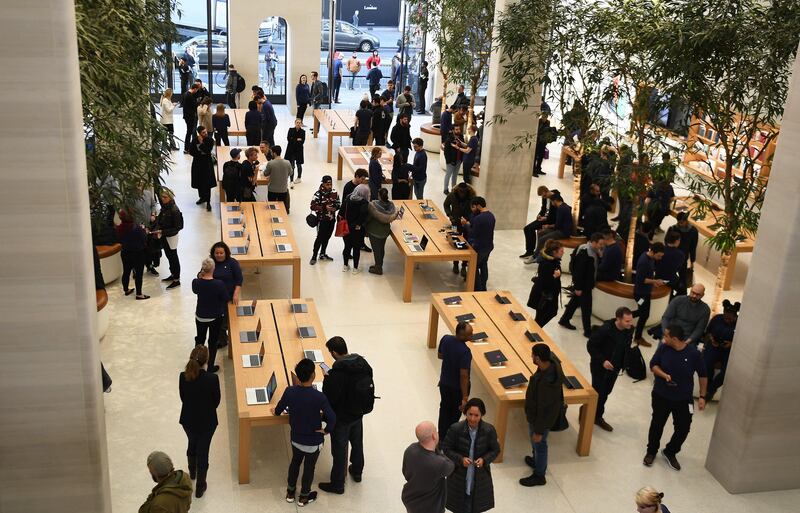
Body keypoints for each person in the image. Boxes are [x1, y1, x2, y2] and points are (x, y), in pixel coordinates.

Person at [273, 359, 336, 507]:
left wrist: (275, 411)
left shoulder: (290, 391)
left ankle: (290, 492)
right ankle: (304, 497)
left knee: (295, 462)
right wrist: (326, 431)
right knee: (309, 468)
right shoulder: (319, 397)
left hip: (296, 438)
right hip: (313, 442)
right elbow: (332, 418)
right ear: (313, 375)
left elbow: (278, 410)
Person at [644, 324, 707, 471]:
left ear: (674, 338)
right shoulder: (663, 348)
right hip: (661, 395)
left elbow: (703, 375)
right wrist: (663, 375)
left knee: (684, 428)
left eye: (666, 336)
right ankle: (651, 451)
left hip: (683, 399)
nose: (663, 338)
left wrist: (703, 396)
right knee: (657, 424)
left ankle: (670, 451)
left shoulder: (693, 354)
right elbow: (653, 365)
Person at [319, 336, 374, 494]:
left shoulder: (338, 373)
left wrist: (327, 379)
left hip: (342, 417)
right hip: (359, 413)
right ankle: (357, 472)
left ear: (334, 352)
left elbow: (330, 396)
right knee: (357, 444)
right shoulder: (362, 363)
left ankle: (337, 484)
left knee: (339, 450)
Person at [441, 398, 500, 513]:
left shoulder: (489, 430)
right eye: (470, 414)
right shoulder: (455, 429)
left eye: (476, 415)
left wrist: (484, 460)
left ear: (482, 415)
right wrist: (460, 459)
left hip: (480, 477)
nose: (472, 419)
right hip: (459, 476)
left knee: (475, 506)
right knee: (460, 507)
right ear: (465, 413)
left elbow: (495, 450)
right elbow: (446, 448)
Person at [519, 343, 565, 487]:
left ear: (538, 358)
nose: (531, 356)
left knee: (540, 443)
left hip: (540, 420)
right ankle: (536, 459)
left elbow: (544, 409)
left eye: (533, 355)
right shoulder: (550, 364)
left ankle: (539, 475)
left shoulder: (547, 383)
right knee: (536, 443)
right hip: (537, 416)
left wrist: (539, 430)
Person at [179, 345, 220, 498]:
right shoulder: (212, 379)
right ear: (206, 361)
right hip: (207, 422)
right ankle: (200, 486)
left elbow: (183, 398)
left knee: (192, 443)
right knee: (204, 451)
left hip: (188, 421)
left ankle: (192, 472)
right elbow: (216, 401)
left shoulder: (183, 376)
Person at [587, 307, 634, 431]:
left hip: (615, 368)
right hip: (600, 367)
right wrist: (603, 361)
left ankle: (595, 415)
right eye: (627, 321)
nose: (630, 324)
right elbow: (591, 345)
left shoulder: (629, 329)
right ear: (618, 319)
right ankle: (591, 415)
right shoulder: (605, 330)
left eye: (631, 320)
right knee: (599, 393)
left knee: (606, 392)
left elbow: (626, 346)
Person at [401, 421, 455, 513]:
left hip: (410, 498)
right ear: (434, 436)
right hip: (431, 506)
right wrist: (437, 450)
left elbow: (405, 472)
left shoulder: (410, 449)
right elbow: (451, 466)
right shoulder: (439, 463)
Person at [559, 232, 605, 338]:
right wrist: (578, 287)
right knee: (587, 308)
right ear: (593, 242)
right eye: (600, 244)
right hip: (584, 285)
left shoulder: (592, 250)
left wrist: (600, 256)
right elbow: (579, 272)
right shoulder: (586, 253)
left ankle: (564, 320)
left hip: (585, 284)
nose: (602, 246)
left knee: (574, 302)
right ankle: (587, 331)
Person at [437, 321, 473, 439]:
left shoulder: (446, 339)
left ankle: (441, 437)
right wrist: (465, 397)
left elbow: (440, 355)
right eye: (469, 334)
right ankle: (449, 439)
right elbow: (463, 376)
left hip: (444, 384)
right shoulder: (465, 352)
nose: (472, 336)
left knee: (444, 410)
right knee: (454, 415)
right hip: (456, 389)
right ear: (462, 335)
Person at [191, 258, 227, 373]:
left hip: (200, 316)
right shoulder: (219, 284)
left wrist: (199, 275)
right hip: (215, 317)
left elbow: (195, 290)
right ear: (213, 269)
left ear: (202, 269)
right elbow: (225, 298)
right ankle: (210, 366)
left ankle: (196, 364)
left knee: (200, 340)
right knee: (213, 341)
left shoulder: (196, 282)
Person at [703, 300, 739, 402]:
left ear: (735, 316)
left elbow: (744, 339)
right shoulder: (717, 318)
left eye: (729, 318)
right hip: (714, 345)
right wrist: (711, 339)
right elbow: (708, 331)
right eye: (725, 317)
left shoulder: (740, 323)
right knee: (706, 364)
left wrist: (732, 344)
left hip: (729, 349)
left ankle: (711, 389)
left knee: (727, 371)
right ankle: (707, 387)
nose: (726, 320)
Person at [210, 241, 242, 348]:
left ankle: (226, 340)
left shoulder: (232, 263)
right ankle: (222, 340)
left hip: (229, 298)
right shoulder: (210, 263)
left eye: (221, 253)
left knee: (227, 322)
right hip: (215, 299)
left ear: (226, 253)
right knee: (218, 322)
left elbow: (239, 280)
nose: (219, 255)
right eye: (217, 253)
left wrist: (235, 294)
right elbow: (202, 274)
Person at [633, 242, 666, 347]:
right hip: (640, 294)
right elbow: (641, 279)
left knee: (642, 312)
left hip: (645, 292)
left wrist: (654, 283)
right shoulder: (644, 262)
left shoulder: (650, 258)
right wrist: (655, 281)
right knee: (644, 314)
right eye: (659, 256)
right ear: (652, 252)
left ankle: (623, 317)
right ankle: (637, 337)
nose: (660, 258)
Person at [461, 197, 495, 292]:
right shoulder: (491, 216)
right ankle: (483, 287)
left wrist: (466, 224)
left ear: (478, 206)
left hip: (479, 246)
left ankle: (477, 289)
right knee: (484, 265)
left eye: (473, 207)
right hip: (488, 245)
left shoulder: (479, 218)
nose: (472, 210)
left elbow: (472, 233)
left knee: (474, 267)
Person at [526, 239, 563, 327]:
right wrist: (554, 277)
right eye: (561, 251)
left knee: (540, 317)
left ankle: (534, 332)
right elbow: (545, 282)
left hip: (545, 295)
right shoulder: (548, 264)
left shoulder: (551, 261)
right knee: (546, 315)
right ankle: (534, 332)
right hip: (544, 297)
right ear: (554, 252)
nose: (563, 253)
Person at [444, 183, 476, 277]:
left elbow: (474, 210)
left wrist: (469, 219)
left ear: (467, 191)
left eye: (464, 192)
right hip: (455, 223)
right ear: (458, 190)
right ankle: (455, 264)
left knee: (466, 244)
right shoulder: (452, 195)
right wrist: (449, 215)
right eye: (460, 192)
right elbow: (446, 204)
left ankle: (464, 265)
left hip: (466, 224)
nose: (462, 194)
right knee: (455, 242)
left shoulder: (472, 197)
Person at [116, 210, 149, 300]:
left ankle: (126, 290)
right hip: (138, 253)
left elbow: (118, 239)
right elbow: (144, 239)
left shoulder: (119, 228)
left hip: (125, 252)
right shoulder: (137, 228)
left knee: (126, 272)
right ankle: (139, 294)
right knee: (138, 274)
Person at [365, 188, 399, 275]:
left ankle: (378, 268)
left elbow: (368, 218)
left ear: (379, 195)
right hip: (385, 231)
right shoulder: (391, 206)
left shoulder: (373, 205)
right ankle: (379, 264)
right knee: (381, 249)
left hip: (374, 231)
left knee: (377, 250)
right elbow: (393, 216)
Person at [520, 186, 560, 260]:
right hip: (544, 218)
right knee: (526, 228)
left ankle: (531, 251)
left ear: (547, 191)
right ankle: (529, 250)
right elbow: (543, 208)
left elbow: (555, 214)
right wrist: (539, 215)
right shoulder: (544, 198)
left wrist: (546, 218)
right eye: (542, 196)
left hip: (550, 220)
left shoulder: (556, 197)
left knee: (531, 228)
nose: (544, 197)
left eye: (544, 195)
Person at [310, 175, 341, 265]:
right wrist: (324, 208)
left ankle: (323, 253)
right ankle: (314, 256)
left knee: (327, 237)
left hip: (331, 220)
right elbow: (312, 206)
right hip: (322, 220)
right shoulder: (318, 194)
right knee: (319, 238)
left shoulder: (335, 193)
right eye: (327, 184)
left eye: (330, 184)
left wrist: (335, 208)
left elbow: (339, 203)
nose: (329, 186)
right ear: (323, 184)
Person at [341, 184, 370, 274]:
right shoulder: (364, 203)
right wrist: (358, 224)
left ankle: (345, 265)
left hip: (346, 227)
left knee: (347, 247)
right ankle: (355, 268)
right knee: (356, 248)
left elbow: (341, 211)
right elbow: (363, 217)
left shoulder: (348, 198)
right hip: (357, 229)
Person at [157, 190, 183, 290]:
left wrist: (163, 232)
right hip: (164, 236)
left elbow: (178, 227)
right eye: (162, 197)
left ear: (171, 197)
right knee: (169, 256)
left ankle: (176, 279)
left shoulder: (174, 210)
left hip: (171, 237)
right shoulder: (164, 208)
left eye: (165, 197)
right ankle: (173, 274)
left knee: (173, 257)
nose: (163, 199)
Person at [189, 126, 215, 212]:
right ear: (199, 133)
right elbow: (191, 151)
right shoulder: (194, 140)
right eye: (203, 132)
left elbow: (208, 151)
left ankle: (208, 201)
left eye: (206, 132)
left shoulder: (210, 140)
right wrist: (200, 152)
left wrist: (201, 144)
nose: (206, 133)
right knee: (199, 182)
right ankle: (202, 198)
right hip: (198, 164)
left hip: (207, 165)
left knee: (207, 184)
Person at [263, 145, 292, 212]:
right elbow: (290, 173)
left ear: (274, 153)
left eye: (271, 152)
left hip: (272, 190)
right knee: (282, 208)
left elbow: (265, 174)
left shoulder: (270, 163)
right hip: (283, 189)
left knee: (272, 206)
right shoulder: (287, 162)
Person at [443, 124, 466, 194]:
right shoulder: (449, 139)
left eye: (459, 129)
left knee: (455, 175)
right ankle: (445, 189)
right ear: (453, 130)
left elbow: (464, 146)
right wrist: (449, 161)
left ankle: (454, 188)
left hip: (459, 160)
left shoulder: (461, 137)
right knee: (448, 175)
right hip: (451, 161)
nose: (458, 131)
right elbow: (446, 152)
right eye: (456, 129)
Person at [533, 111, 556, 176]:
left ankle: (538, 169)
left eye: (545, 117)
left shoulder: (548, 122)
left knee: (541, 156)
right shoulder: (538, 121)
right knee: (535, 157)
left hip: (543, 142)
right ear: (541, 116)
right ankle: (533, 170)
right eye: (543, 117)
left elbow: (547, 132)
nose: (544, 118)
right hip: (537, 141)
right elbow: (538, 131)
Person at [285, 118, 306, 184]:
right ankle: (291, 180)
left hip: (299, 150)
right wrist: (297, 139)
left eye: (300, 123)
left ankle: (299, 177)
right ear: (295, 123)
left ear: (301, 124)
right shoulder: (291, 130)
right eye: (297, 122)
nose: (298, 124)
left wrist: (293, 139)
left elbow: (302, 142)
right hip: (291, 150)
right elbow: (289, 139)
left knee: (299, 165)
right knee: (292, 166)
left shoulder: (303, 132)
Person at [182, 83, 200, 153]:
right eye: (196, 90)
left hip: (187, 116)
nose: (197, 91)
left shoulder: (186, 93)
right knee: (190, 132)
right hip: (190, 116)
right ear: (195, 89)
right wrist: (198, 103)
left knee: (189, 131)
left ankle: (188, 147)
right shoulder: (189, 96)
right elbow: (194, 105)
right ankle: (187, 148)